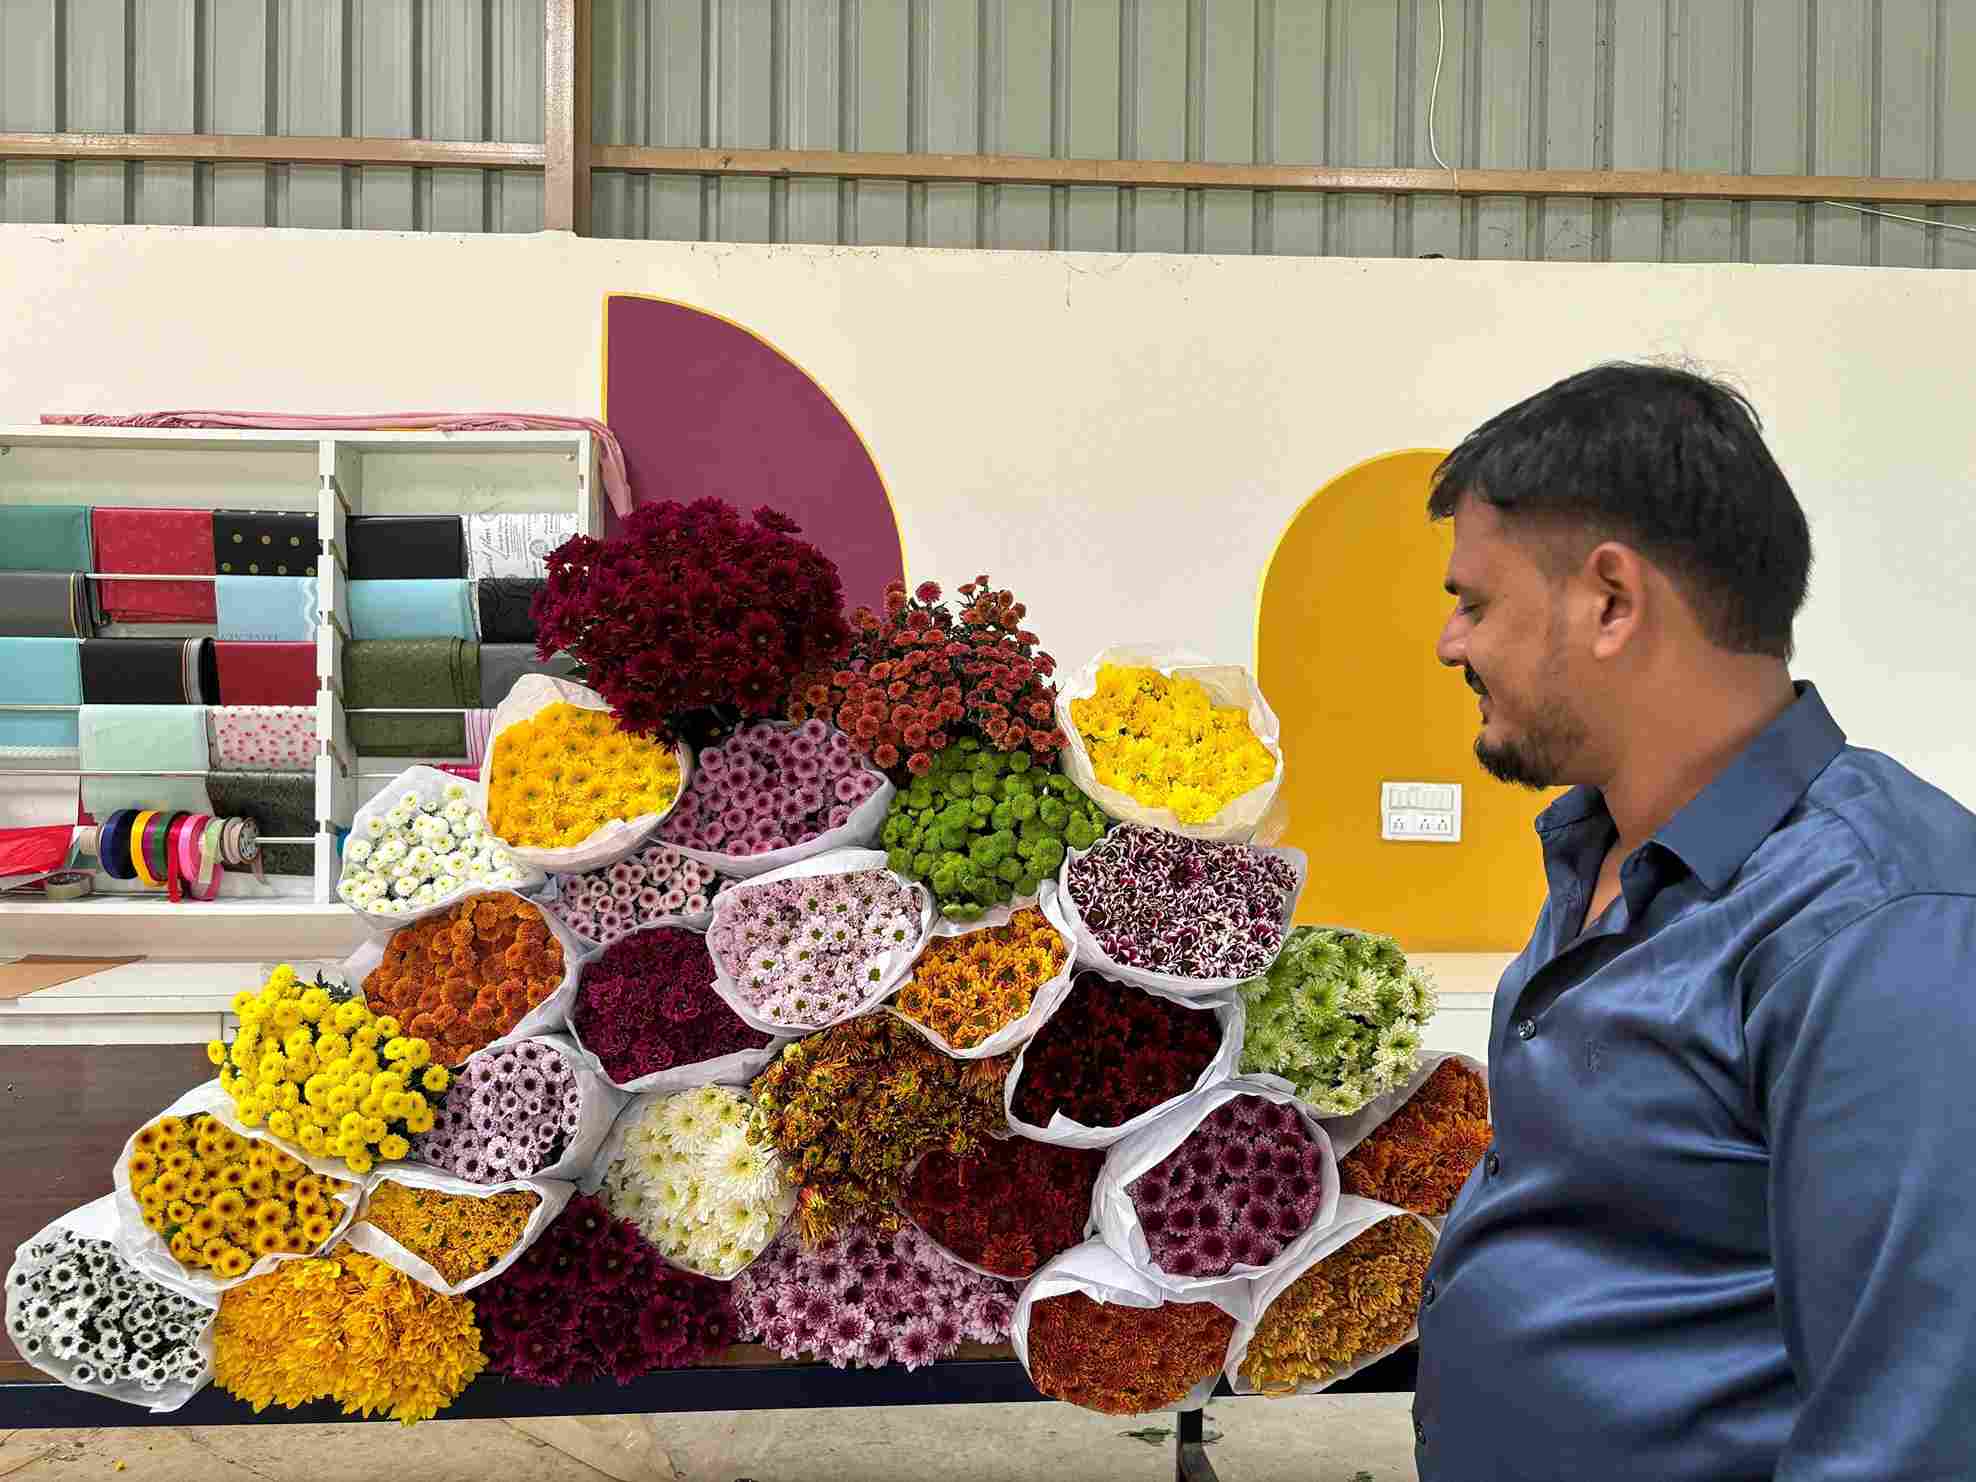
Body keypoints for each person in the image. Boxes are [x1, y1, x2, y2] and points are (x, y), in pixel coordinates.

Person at [1412, 362, 1976, 1481]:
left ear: (1611, 601)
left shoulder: (1875, 928)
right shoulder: (1600, 848)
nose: (1449, 646)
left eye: (1473, 603)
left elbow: (1906, 1435)